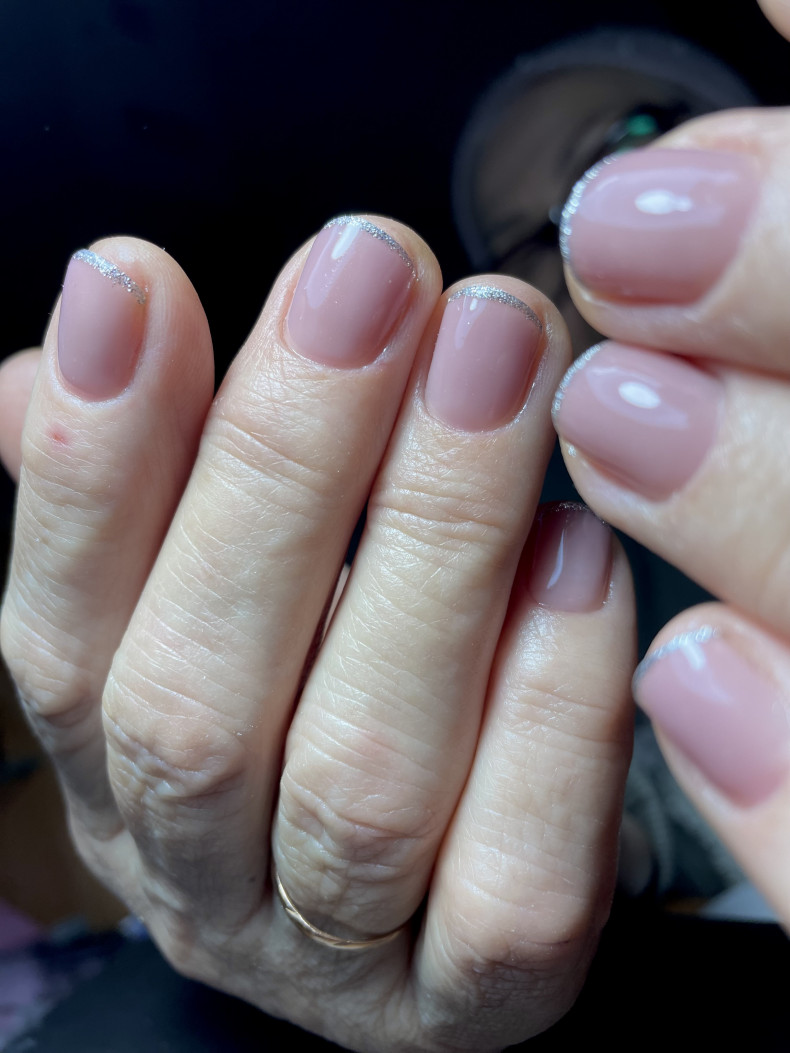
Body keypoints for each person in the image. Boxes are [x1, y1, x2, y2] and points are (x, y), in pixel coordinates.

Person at [1, 0, 789, 1048]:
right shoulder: (562, 554)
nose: (581, 233)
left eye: (623, 139)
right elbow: (646, 808)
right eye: (527, 241)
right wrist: (434, 865)